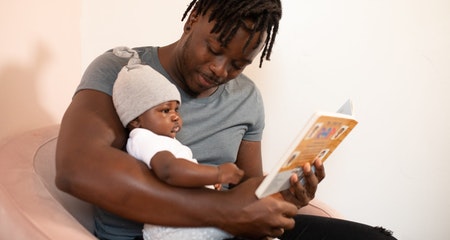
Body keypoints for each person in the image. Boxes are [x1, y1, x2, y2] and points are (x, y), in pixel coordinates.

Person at [55, 0, 397, 239]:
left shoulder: (246, 97)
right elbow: (77, 168)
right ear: (193, 19)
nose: (221, 70)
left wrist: (286, 194)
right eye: (214, 49)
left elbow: (247, 189)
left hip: (223, 230)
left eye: (238, 64)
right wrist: (223, 211)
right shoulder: (124, 70)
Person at [111, 47, 243, 239]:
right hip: (170, 228)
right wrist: (216, 174)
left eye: (176, 110)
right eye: (165, 111)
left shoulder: (163, 141)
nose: (175, 117)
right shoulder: (143, 138)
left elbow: (182, 177)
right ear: (135, 120)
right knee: (246, 223)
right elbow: (169, 170)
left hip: (180, 221)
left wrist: (206, 183)